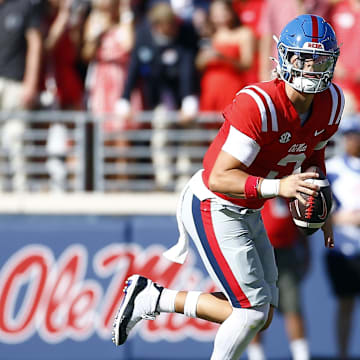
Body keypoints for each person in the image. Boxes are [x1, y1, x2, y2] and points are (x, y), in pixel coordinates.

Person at [112, 14, 343, 359]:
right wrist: (280, 188)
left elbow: (314, 149)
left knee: (260, 315)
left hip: (246, 206)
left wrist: (319, 196)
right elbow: (220, 176)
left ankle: (153, 298)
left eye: (319, 60)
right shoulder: (260, 104)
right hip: (213, 201)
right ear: (284, 57)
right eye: (303, 58)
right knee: (250, 311)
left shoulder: (331, 103)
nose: (310, 68)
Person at [247, 198, 311, 360]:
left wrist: (306, 253)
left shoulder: (291, 195)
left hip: (286, 253)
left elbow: (302, 228)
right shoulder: (256, 190)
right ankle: (256, 356)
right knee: (256, 308)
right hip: (258, 252)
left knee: (293, 306)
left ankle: (301, 355)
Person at [325, 113, 360, 360]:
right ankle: (343, 355)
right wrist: (342, 219)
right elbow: (319, 214)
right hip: (343, 249)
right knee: (345, 305)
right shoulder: (333, 170)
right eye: (348, 135)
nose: (352, 140)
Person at [0, 0, 42, 191]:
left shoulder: (24, 6)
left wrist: (30, 83)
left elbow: (35, 43)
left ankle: (21, 190)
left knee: (16, 138)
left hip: (15, 85)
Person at [196, 0, 256, 112]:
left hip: (232, 85)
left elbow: (247, 64)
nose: (220, 15)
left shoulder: (244, 33)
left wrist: (224, 58)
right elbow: (198, 64)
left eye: (223, 10)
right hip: (210, 86)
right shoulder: (209, 35)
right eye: (216, 11)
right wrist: (204, 58)